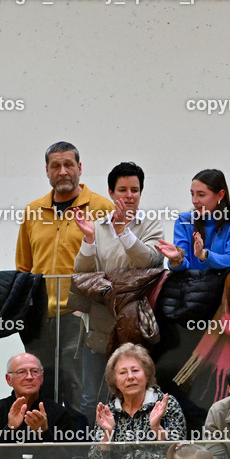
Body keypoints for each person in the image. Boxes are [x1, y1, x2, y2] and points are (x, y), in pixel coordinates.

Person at [16, 141, 114, 408]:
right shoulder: (33, 211)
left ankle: (77, 448)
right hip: (39, 318)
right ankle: (45, 446)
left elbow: (113, 265)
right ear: (47, 171)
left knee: (78, 389)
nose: (63, 171)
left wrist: (88, 310)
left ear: (80, 168)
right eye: (55, 166)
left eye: (68, 164)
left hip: (79, 316)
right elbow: (24, 267)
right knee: (39, 387)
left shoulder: (102, 208)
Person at [74, 161, 164, 416]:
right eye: (122, 190)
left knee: (139, 396)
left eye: (134, 190)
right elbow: (82, 271)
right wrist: (90, 240)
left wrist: (124, 231)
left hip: (135, 324)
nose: (129, 196)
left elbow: (148, 261)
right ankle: (88, 453)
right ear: (111, 193)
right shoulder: (98, 226)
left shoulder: (151, 224)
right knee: (91, 397)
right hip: (101, 321)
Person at [157, 168, 230, 271]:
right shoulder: (184, 220)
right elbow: (183, 266)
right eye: (192, 194)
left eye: (201, 195)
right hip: (191, 285)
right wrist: (177, 259)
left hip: (223, 284)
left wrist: (203, 254)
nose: (194, 200)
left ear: (220, 195)